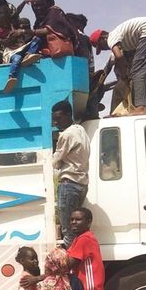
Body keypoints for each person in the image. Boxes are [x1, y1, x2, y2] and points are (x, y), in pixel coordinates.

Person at [90, 17, 146, 115]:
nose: (104, 49)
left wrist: (124, 75)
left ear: (103, 37)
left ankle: (140, 108)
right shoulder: (123, 38)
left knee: (137, 72)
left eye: (101, 46)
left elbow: (119, 56)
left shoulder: (111, 37)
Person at [3, 0, 77, 93]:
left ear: (48, 3)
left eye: (40, 4)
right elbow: (13, 18)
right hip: (44, 54)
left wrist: (24, 32)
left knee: (37, 38)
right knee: (18, 56)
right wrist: (24, 3)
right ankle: (13, 74)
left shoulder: (54, 11)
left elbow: (48, 31)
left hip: (57, 51)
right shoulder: (40, 19)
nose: (37, 8)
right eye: (34, 6)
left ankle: (29, 55)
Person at [51, 100, 90, 248]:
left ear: (68, 115)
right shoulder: (81, 130)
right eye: (54, 119)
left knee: (68, 231)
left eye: (59, 118)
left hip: (68, 185)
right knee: (77, 230)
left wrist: (58, 163)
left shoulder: (66, 135)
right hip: (81, 184)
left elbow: (55, 161)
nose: (55, 122)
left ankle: (71, 265)